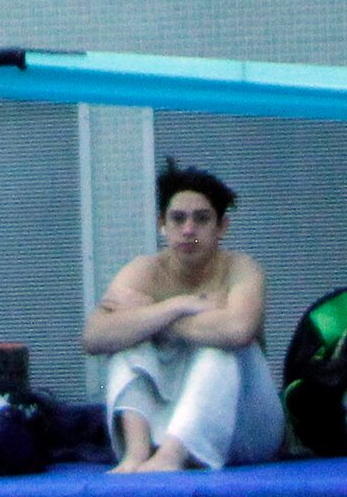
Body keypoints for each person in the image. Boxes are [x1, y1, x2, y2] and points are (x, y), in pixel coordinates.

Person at [83, 161, 282, 474]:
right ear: (162, 224)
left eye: (201, 219)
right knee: (128, 343)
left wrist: (153, 317)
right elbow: (94, 337)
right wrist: (177, 307)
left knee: (219, 349)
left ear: (221, 227)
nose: (189, 230)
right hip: (172, 417)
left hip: (244, 428)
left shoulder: (242, 268)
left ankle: (170, 457)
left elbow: (239, 330)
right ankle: (136, 453)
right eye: (178, 219)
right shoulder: (144, 270)